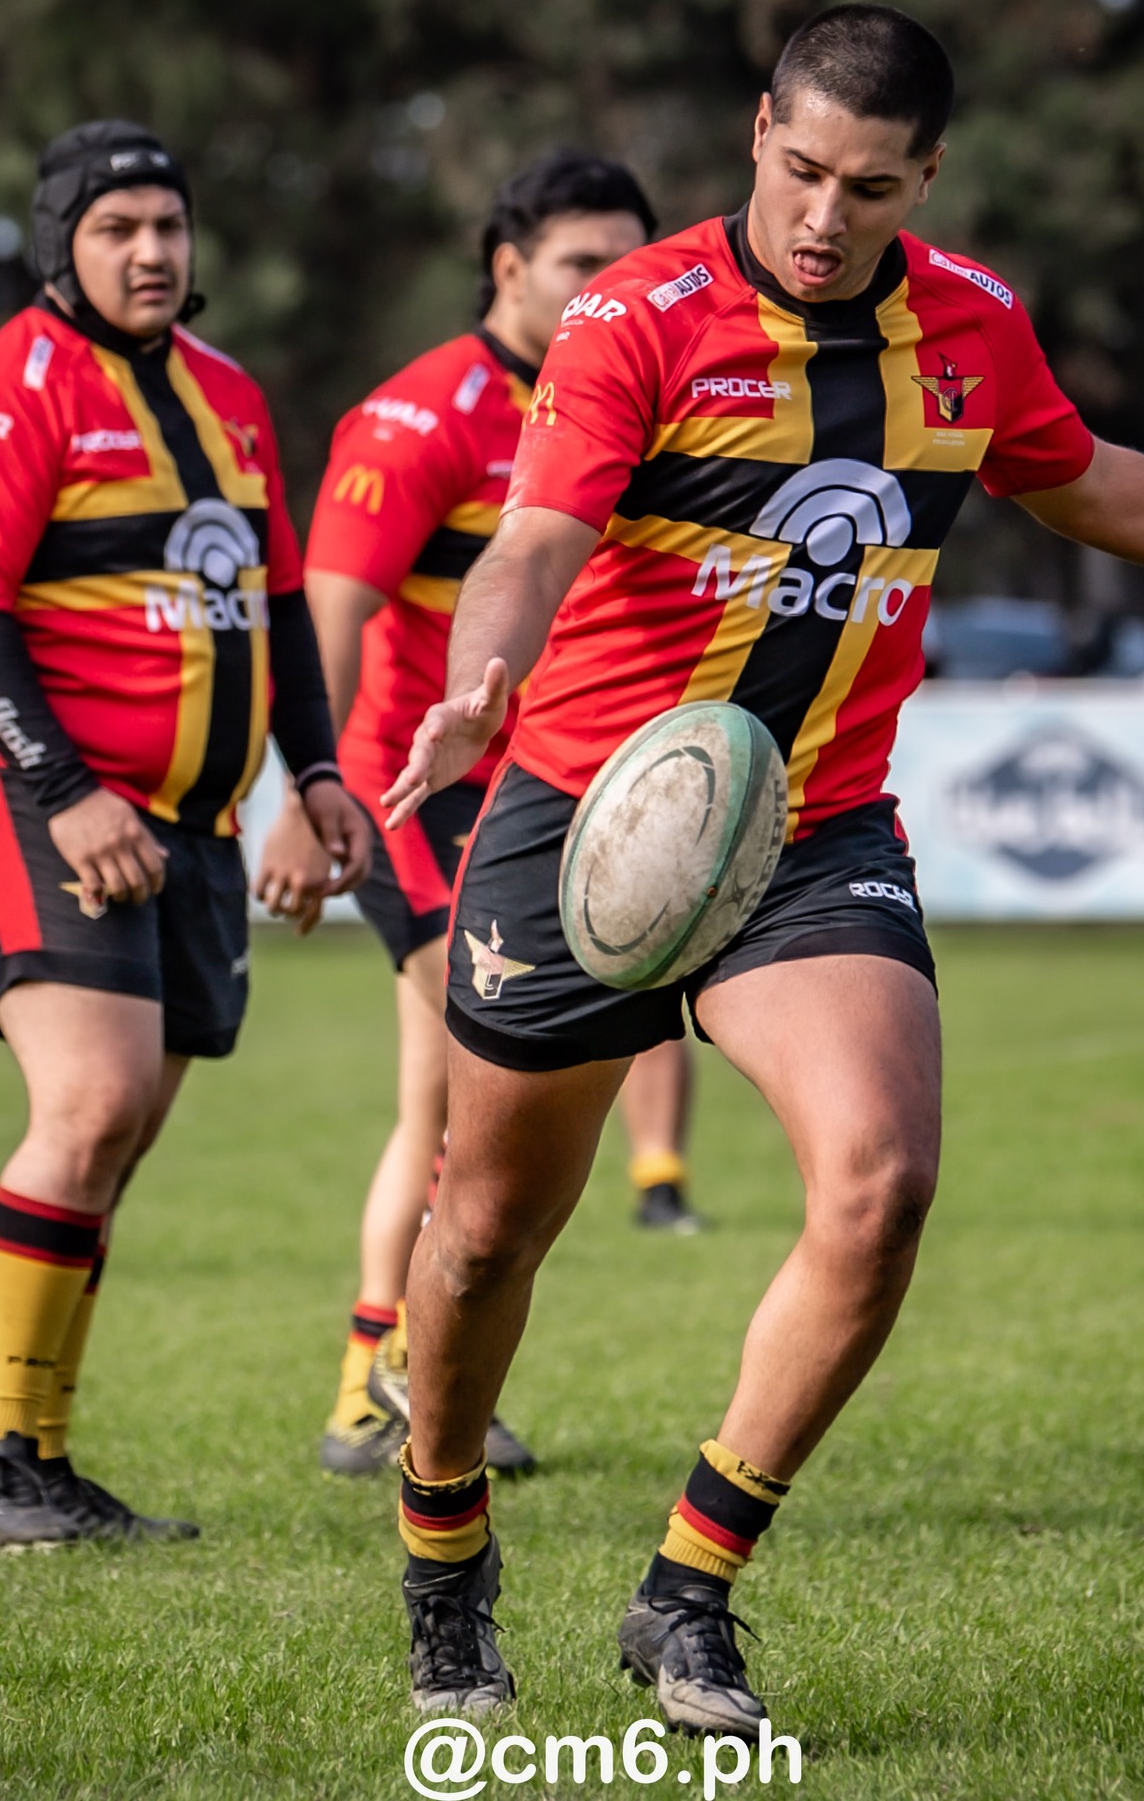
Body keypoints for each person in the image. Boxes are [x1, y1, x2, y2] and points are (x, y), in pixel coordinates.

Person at [379, 4, 1144, 1728]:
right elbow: (536, 536)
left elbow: (1081, 480)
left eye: (868, 186)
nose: (822, 215)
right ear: (757, 129)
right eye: (799, 169)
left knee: (881, 1183)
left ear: (926, 174)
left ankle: (687, 1592)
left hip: (810, 824)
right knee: (483, 1236)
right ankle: (444, 1554)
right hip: (591, 821)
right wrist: (484, 674)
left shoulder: (972, 322)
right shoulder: (637, 316)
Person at [0, 121, 371, 1549]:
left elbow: (275, 607)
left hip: (195, 825)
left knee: (122, 1135)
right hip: (46, 800)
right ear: (62, 245)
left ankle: (40, 1460)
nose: (153, 251)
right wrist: (64, 789)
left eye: (170, 225)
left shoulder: (229, 394)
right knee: (92, 1107)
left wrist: (318, 772)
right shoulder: (7, 392)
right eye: (118, 230)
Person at [253, 153, 699, 1482]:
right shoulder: (417, 415)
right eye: (578, 263)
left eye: (624, 263)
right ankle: (382, 1382)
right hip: (413, 792)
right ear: (507, 268)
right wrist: (308, 792)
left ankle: (388, 1384)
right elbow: (330, 611)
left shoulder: (639, 391)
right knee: (474, 1093)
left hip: (552, 792)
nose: (605, 287)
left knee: (453, 1105)